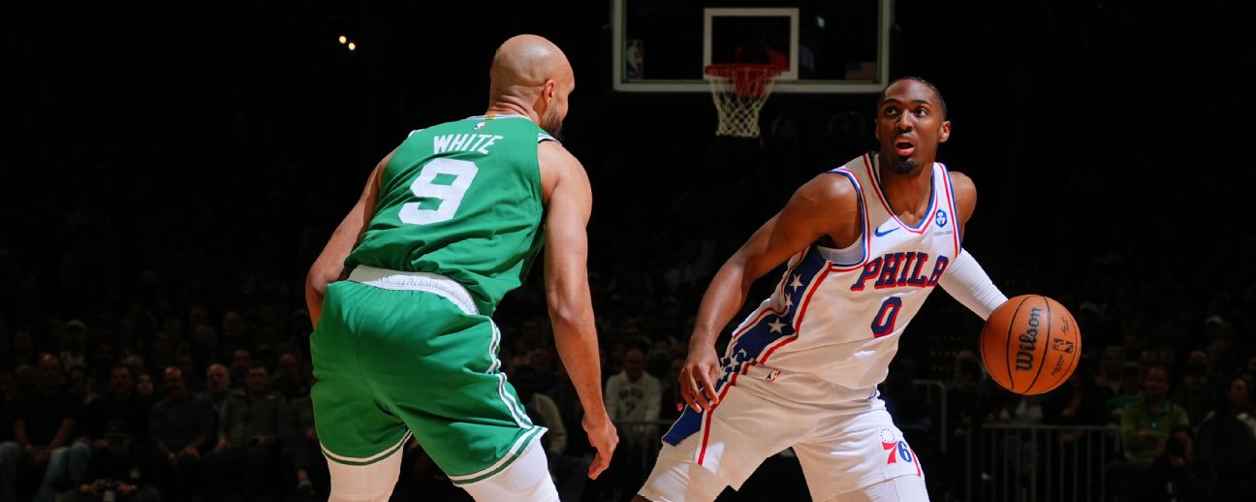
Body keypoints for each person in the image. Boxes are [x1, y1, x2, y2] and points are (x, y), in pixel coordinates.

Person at [636, 77, 1009, 502]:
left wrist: (1002, 313)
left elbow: (941, 250)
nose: (904, 122)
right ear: (878, 128)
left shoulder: (957, 197)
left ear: (943, 130)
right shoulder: (836, 196)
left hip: (852, 405)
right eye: (891, 112)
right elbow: (744, 263)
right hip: (766, 382)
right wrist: (703, 342)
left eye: (919, 112)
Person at [304, 34, 617, 502]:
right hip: (433, 321)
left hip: (347, 319)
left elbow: (320, 279)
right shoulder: (554, 161)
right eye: (567, 97)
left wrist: (365, 353)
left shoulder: (409, 146)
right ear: (550, 91)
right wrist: (596, 414)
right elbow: (567, 305)